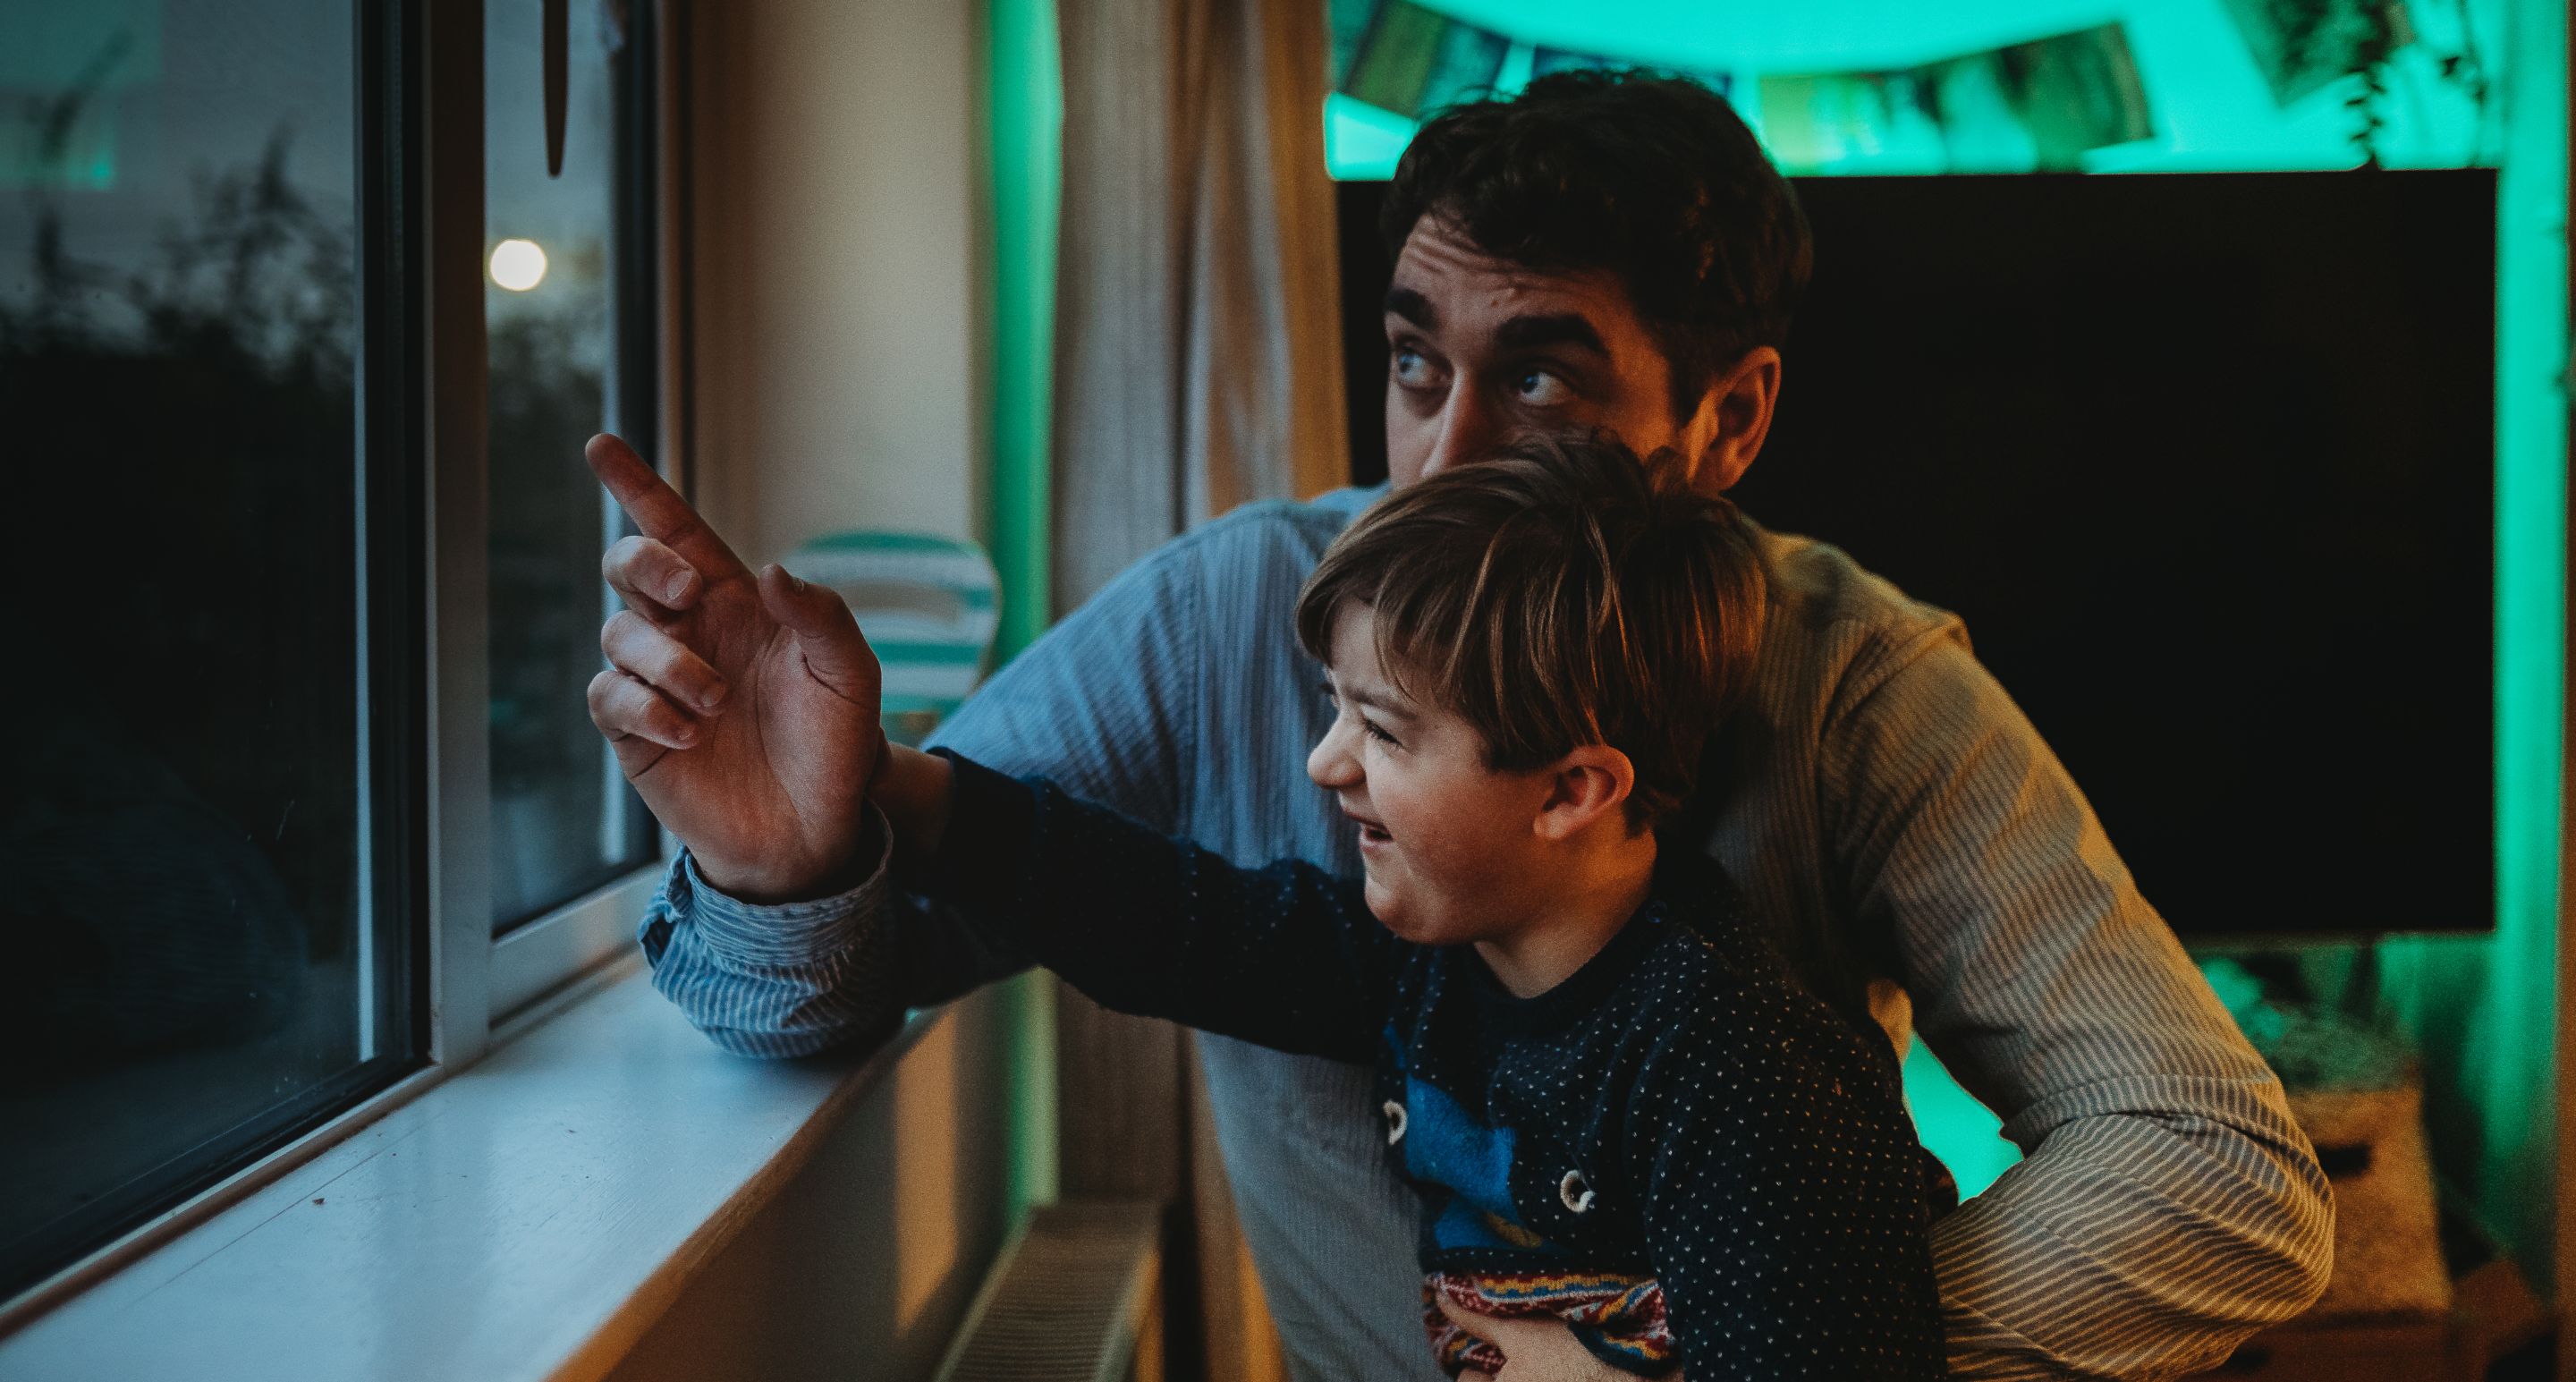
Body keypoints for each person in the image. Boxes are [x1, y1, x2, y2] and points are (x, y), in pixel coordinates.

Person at [586, 69, 2332, 1379]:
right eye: (1420, 362)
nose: (1443, 457)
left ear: (1728, 423)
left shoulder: (1854, 682)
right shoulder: (1235, 608)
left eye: (1545, 380)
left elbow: (2225, 1172)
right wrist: (799, 853)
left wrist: (1725, 1346)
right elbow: (990, 947)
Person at [848, 436, 1945, 1378]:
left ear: (1573, 790)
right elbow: (1170, 923)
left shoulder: (1741, 1071)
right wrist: (886, 779)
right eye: (1337, 710)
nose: (1327, 765)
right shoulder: (1435, 965)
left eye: (1383, 729)